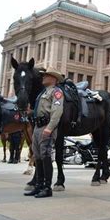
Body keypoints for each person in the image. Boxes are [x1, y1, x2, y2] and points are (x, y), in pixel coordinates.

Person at [24, 67, 64, 198]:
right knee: (38, 156)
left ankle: (47, 188)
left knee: (45, 155)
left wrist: (50, 127)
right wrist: (30, 112)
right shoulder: (43, 92)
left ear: (53, 78)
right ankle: (39, 186)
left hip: (46, 126)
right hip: (37, 126)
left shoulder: (57, 92)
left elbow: (57, 111)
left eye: (46, 75)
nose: (43, 77)